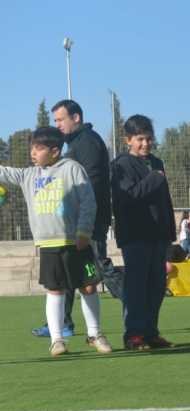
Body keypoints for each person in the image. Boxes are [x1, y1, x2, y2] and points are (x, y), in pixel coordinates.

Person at [0, 126, 110, 356]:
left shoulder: (72, 169)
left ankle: (95, 334)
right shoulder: (29, 175)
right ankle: (57, 340)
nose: (33, 153)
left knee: (88, 287)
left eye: (38, 149)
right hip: (49, 247)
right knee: (55, 290)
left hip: (76, 242)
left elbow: (89, 202)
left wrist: (83, 231)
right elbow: (5, 172)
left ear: (55, 150)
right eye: (32, 148)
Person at [31, 100, 113, 339]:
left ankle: (133, 304)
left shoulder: (86, 142)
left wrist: (83, 224)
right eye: (55, 120)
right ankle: (63, 323)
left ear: (75, 118)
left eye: (60, 119)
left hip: (89, 225)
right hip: (73, 227)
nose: (57, 125)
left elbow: (91, 184)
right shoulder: (75, 145)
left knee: (99, 273)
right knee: (67, 276)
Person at [110, 115, 175, 350]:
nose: (145, 144)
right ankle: (133, 335)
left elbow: (164, 201)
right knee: (136, 287)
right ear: (128, 140)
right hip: (135, 235)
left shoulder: (157, 163)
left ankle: (150, 332)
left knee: (156, 287)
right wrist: (154, 179)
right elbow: (129, 197)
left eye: (149, 138)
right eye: (140, 139)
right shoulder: (120, 165)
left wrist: (170, 232)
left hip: (159, 235)